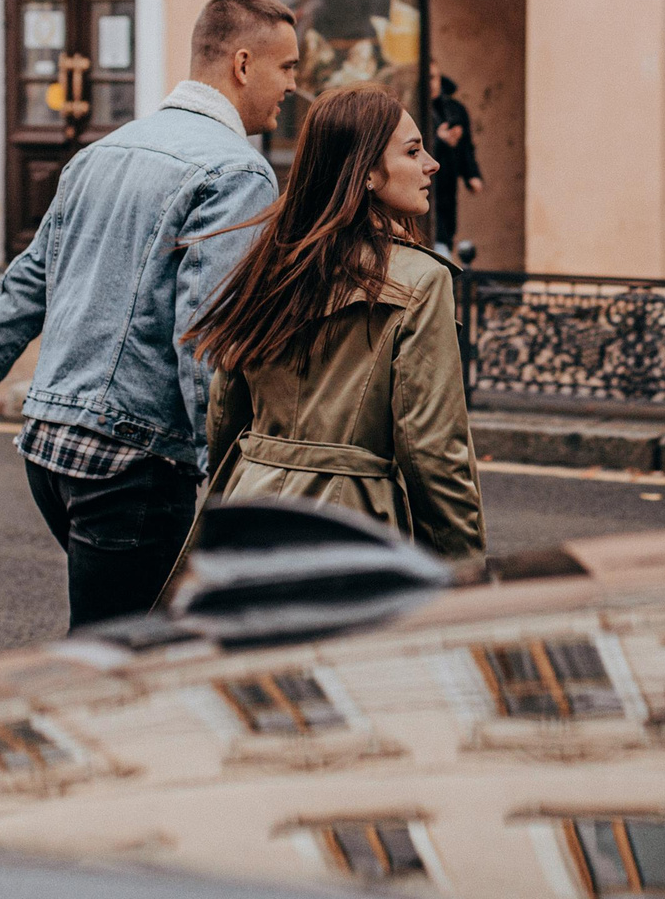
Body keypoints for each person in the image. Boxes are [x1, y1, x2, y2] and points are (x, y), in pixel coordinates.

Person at [0, 0, 302, 629]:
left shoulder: (102, 153)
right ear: (244, 65)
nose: (292, 90)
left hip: (49, 450)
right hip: (133, 464)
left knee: (137, 647)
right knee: (116, 668)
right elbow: (204, 337)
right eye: (288, 70)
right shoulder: (236, 174)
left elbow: (23, 291)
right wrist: (229, 478)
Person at [188, 83, 485, 561]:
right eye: (413, 151)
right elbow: (433, 453)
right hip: (352, 530)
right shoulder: (422, 280)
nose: (432, 163)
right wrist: (466, 570)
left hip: (252, 510)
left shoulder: (272, 262)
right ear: (367, 172)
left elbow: (224, 416)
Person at [427, 64, 483, 253]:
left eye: (434, 77)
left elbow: (465, 147)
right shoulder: (413, 108)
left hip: (446, 183)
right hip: (426, 184)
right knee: (436, 238)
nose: (431, 84)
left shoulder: (454, 109)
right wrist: (439, 140)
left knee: (446, 233)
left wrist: (472, 175)